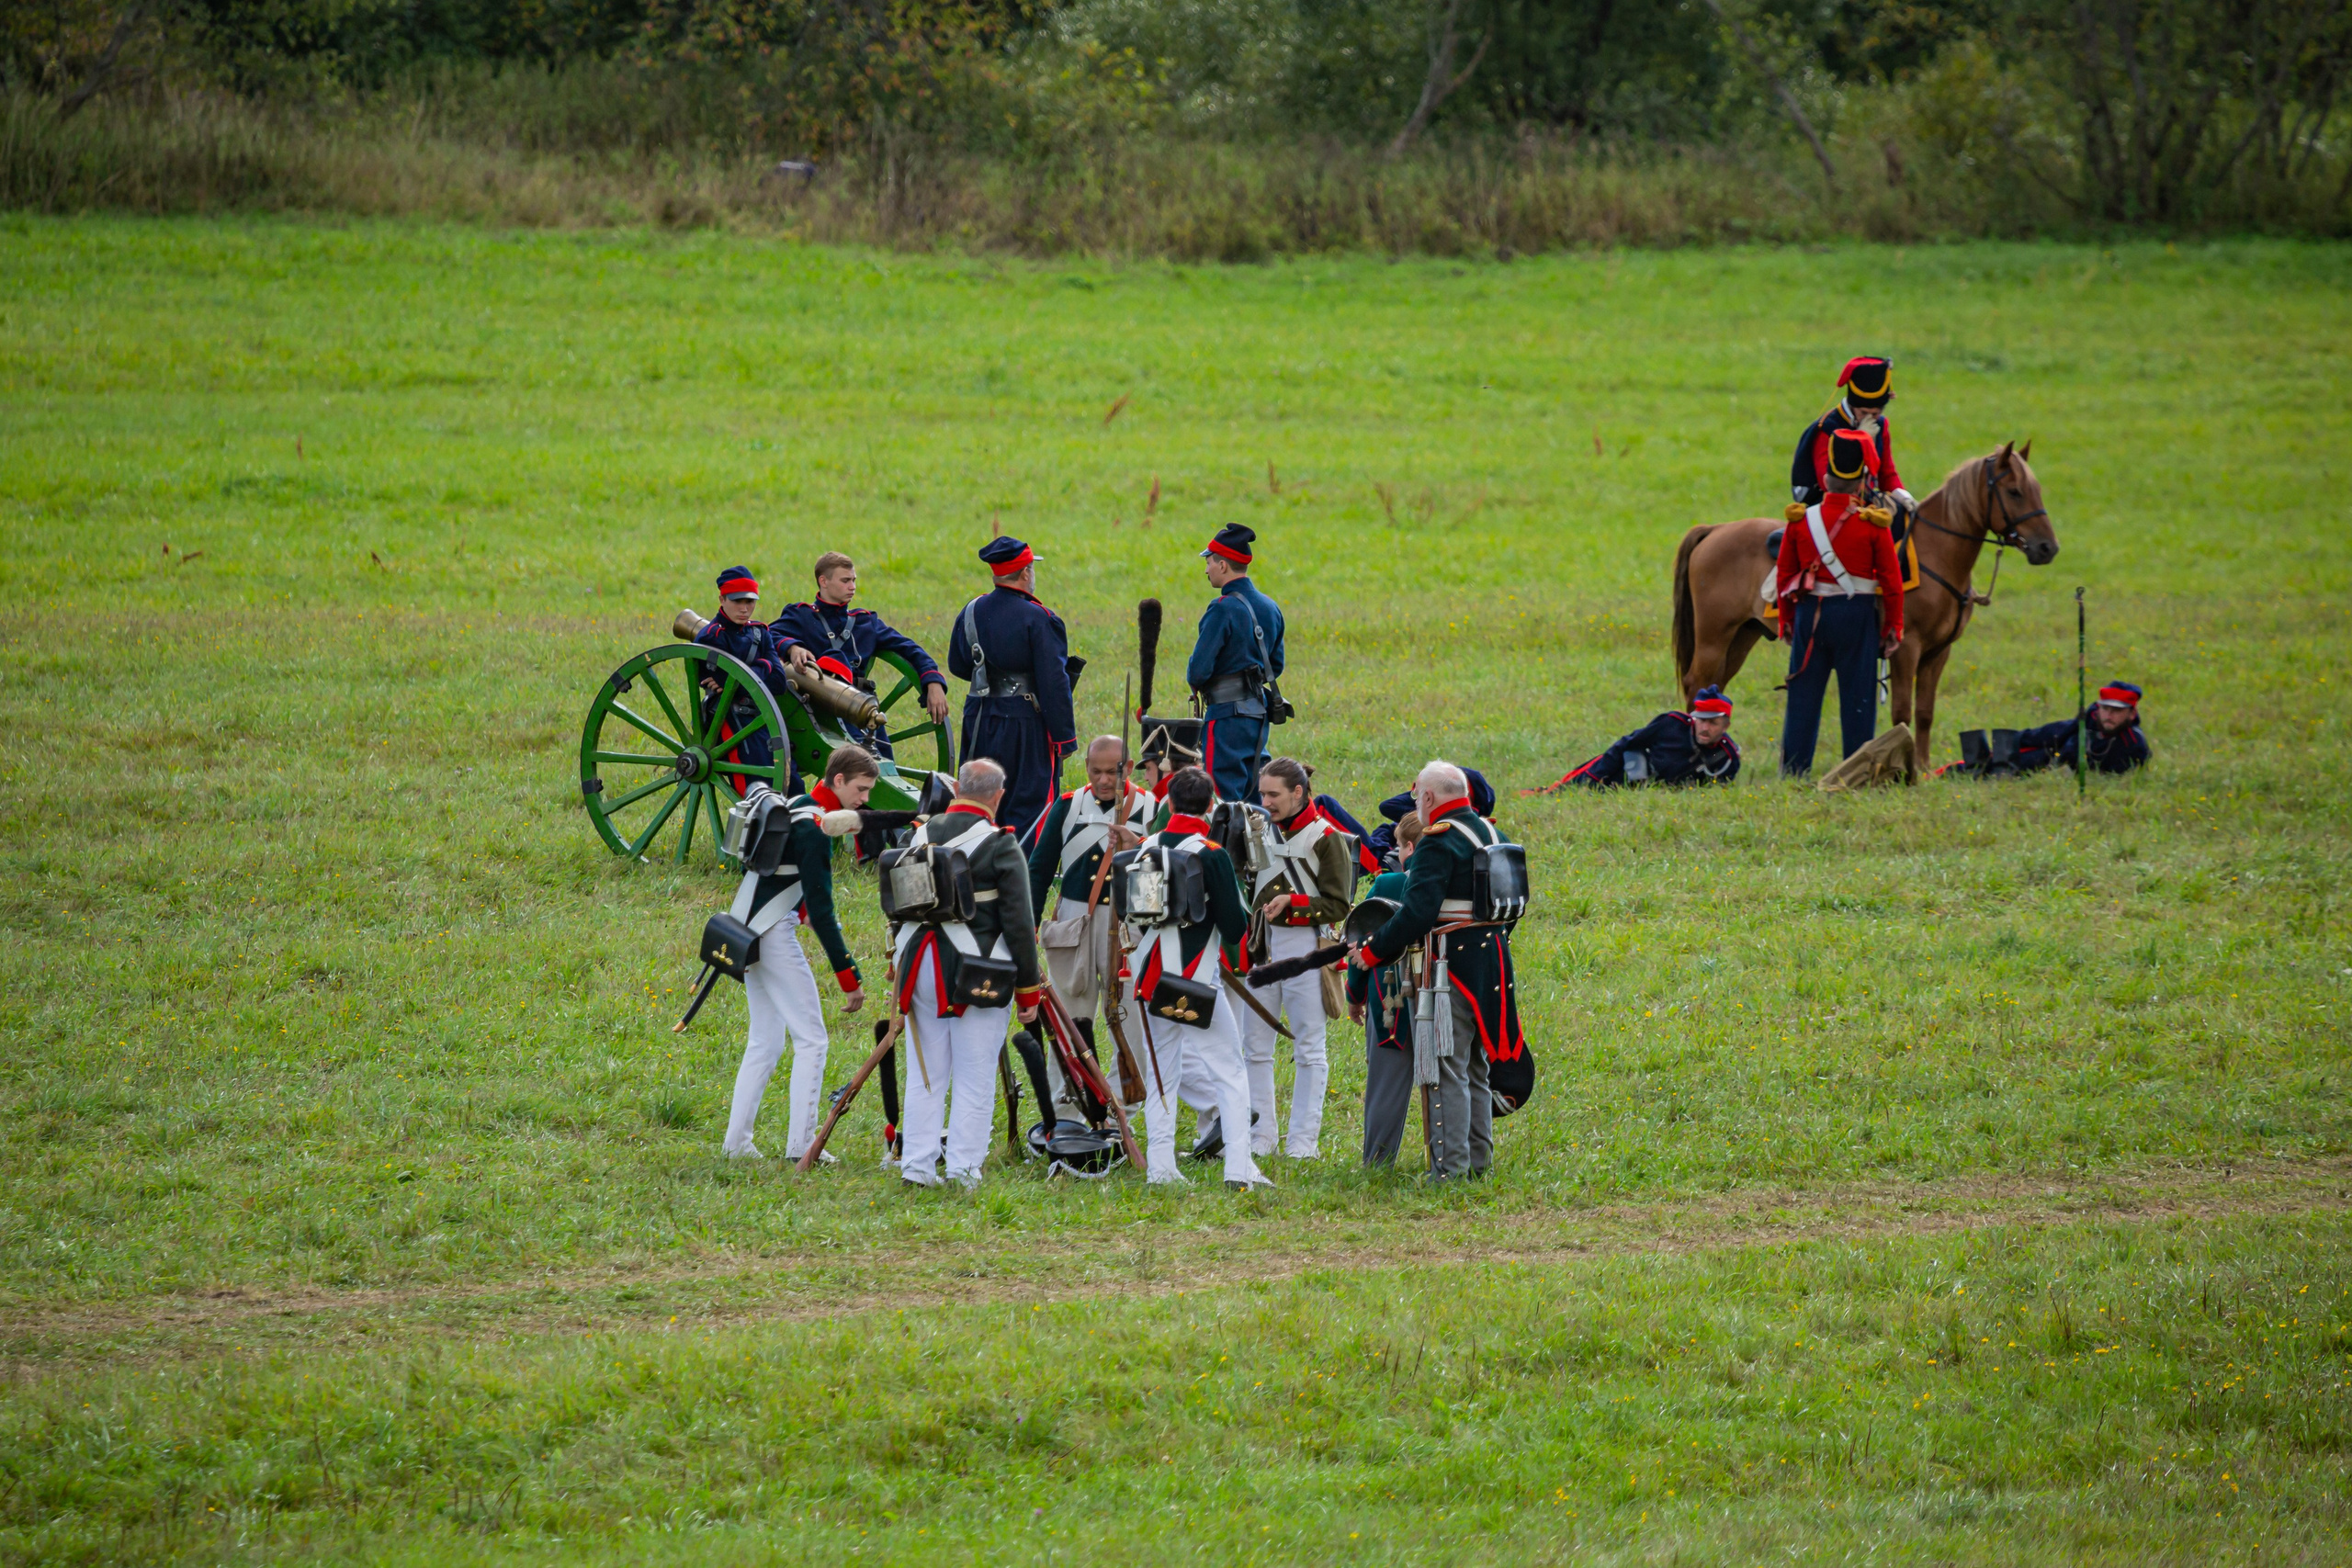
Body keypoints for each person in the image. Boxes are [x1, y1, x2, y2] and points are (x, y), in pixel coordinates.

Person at [1353, 761, 1525, 1180]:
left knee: (1446, 1068)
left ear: (1428, 798)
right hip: (1492, 962)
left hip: (1451, 966)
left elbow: (1416, 914)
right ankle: (1477, 1165)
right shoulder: (1492, 832)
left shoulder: (1437, 841)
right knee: (1476, 1069)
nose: (1417, 805)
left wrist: (1373, 951)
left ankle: (1449, 1172)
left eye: (1417, 798)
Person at [889, 758, 1042, 1190]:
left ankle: (917, 1167)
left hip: (919, 965)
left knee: (925, 1073)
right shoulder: (1001, 844)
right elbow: (1018, 923)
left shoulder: (917, 834)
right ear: (997, 796)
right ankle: (963, 1170)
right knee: (975, 1074)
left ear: (957, 787)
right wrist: (1029, 990)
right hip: (978, 971)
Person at [722, 745, 872, 1161]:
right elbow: (822, 913)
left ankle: (737, 1144)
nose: (864, 800)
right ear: (838, 781)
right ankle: (802, 1145)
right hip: (771, 933)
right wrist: (850, 977)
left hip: (748, 929)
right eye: (860, 790)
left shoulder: (800, 805)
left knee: (765, 1042)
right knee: (812, 1040)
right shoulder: (816, 825)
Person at [1127, 765, 1270, 1190]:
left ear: (1168, 803)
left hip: (1151, 977)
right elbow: (1233, 928)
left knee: (1161, 1074)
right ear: (1210, 806)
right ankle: (1238, 1167)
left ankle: (1161, 1167)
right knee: (1230, 1072)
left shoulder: (1144, 846)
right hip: (1194, 979)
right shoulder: (1210, 852)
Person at [1025, 735, 1156, 1114]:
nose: (1103, 780)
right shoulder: (1067, 807)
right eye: (1096, 771)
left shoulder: (1150, 808)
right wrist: (1028, 929)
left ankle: (1123, 1111)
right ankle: (1066, 1110)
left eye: (1112, 772)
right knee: (1069, 1015)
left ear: (1129, 769)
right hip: (1076, 919)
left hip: (1130, 922)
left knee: (1127, 1017)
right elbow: (1039, 871)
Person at [1240, 758, 1356, 1160]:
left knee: (1309, 1047)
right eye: (1263, 794)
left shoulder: (1327, 837)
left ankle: (1303, 1142)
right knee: (1254, 1046)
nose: (1265, 802)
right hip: (1263, 946)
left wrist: (1295, 903)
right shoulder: (1258, 833)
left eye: (1274, 794)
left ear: (1298, 793)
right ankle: (1262, 1136)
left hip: (1306, 948)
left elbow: (1340, 903)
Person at [1777, 428, 1905, 777]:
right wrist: (1893, 627)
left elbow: (1784, 576)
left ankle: (1793, 772)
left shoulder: (1800, 520)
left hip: (1809, 616)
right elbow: (1892, 583)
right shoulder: (1874, 526)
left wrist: (1786, 620)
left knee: (1802, 698)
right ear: (1863, 479)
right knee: (1858, 701)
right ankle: (1856, 774)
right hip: (1856, 616)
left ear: (1825, 477)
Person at [948, 536, 1080, 840]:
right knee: (1029, 802)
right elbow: (1054, 684)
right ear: (1025, 573)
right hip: (1025, 721)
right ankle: (1022, 870)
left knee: (977, 795)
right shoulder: (1041, 618)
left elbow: (958, 664)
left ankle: (974, 856)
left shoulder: (971, 610)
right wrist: (1065, 738)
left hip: (979, 716)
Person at [769, 551, 953, 760]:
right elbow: (769, 635)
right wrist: (792, 647)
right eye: (845, 580)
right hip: (817, 708)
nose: (852, 586)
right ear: (824, 581)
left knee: (883, 764)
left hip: (861, 708)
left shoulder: (865, 623)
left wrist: (933, 682)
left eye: (854, 580)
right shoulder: (801, 615)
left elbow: (910, 649)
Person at [1186, 524, 1285, 802]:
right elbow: (1275, 666)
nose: (1206, 570)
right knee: (1256, 797)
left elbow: (1198, 671)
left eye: (1209, 562)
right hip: (1258, 714)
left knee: (1222, 800)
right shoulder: (1270, 607)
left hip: (1226, 716)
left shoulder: (1222, 608)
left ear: (1223, 565)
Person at [1349, 812, 1421, 1167]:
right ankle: (1447, 1158)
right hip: (1446, 992)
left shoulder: (1389, 883)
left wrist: (1354, 995)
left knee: (1386, 1085)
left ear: (1408, 847)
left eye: (1398, 845)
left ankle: (1378, 1161)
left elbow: (1363, 939)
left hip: (1391, 995)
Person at [695, 566, 802, 794]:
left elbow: (778, 682)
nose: (745, 609)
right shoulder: (711, 637)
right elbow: (735, 682)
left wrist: (744, 675)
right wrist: (765, 666)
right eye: (737, 601)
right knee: (757, 784)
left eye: (750, 602)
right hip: (729, 720)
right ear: (722, 599)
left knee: (791, 780)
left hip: (763, 716)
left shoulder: (760, 632)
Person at [1544, 686, 1742, 789]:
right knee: (1564, 789)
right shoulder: (1672, 723)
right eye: (1701, 720)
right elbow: (1626, 743)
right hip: (1624, 770)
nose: (1704, 728)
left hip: (1653, 789)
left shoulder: (1727, 758)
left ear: (1726, 726)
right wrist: (1595, 776)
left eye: (1713, 723)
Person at [1791, 355, 1916, 517]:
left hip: (1867, 503)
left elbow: (1887, 473)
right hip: (1829, 507)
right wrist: (1862, 439)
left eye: (1875, 413)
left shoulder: (1881, 425)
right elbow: (1831, 484)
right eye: (1863, 412)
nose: (1869, 418)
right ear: (1852, 405)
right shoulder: (1827, 428)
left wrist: (1903, 496)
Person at [1962, 682, 2152, 776]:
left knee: (2003, 771)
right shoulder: (2092, 718)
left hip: (2060, 768)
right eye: (2105, 708)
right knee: (1991, 762)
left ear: (2131, 714)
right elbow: (2061, 730)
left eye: (2117, 711)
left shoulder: (2134, 745)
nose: (2108, 715)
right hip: (2055, 753)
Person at [1367, 766, 1496, 868]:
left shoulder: (1436, 841)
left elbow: (1418, 897)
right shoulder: (1495, 835)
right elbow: (1388, 823)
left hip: (1384, 866)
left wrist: (1428, 791)